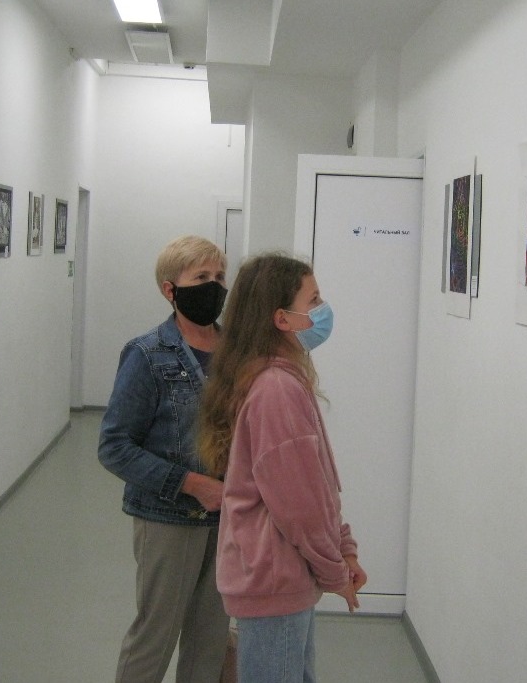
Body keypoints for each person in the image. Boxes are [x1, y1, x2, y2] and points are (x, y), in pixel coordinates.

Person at [199, 253, 367, 683]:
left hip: (283, 579)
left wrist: (343, 546)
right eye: (314, 301)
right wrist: (335, 570)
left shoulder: (279, 378)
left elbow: (317, 486)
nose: (323, 310)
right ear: (281, 319)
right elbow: (301, 507)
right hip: (275, 582)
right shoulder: (276, 390)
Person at [99, 235, 231, 683]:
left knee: (210, 634)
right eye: (201, 277)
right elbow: (114, 446)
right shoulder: (147, 354)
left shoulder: (238, 351)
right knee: (155, 633)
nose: (214, 286)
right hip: (169, 517)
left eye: (219, 276)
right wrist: (192, 484)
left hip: (230, 517)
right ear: (170, 289)